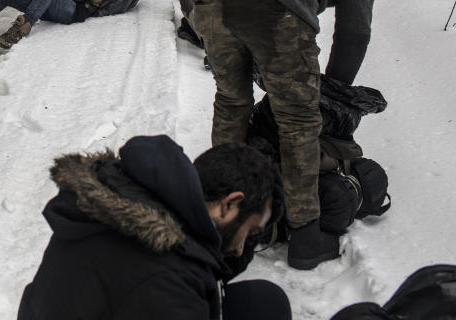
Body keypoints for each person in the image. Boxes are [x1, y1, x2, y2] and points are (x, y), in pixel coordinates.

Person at [193, 0, 378, 270]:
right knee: (298, 121)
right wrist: (331, 94)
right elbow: (355, 32)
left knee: (232, 101)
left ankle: (222, 209)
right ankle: (306, 234)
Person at [17, 135, 290, 320]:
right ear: (229, 205)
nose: (241, 247)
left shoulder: (142, 200)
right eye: (251, 233)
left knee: (263, 302)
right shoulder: (167, 284)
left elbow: (205, 257)